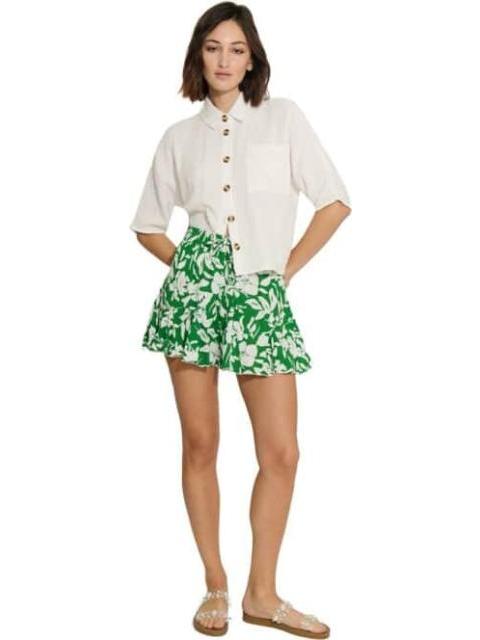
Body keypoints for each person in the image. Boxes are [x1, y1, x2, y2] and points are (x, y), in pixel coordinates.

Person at [129, 2, 352, 637]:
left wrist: (283, 271)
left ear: (252, 58)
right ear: (198, 57)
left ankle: (263, 593)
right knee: (201, 444)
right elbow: (148, 225)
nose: (224, 60)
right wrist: (191, 268)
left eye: (236, 49)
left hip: (260, 295)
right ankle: (215, 584)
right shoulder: (178, 137)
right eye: (212, 48)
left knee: (281, 451)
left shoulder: (284, 119)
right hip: (194, 298)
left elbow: (335, 202)